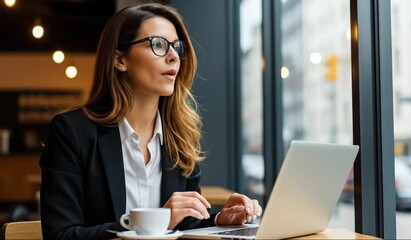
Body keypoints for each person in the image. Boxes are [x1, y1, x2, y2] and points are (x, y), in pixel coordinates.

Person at [39, 2, 262, 239]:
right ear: (120, 60)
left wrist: (219, 220)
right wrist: (157, 220)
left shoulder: (180, 137)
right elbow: (60, 235)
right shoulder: (72, 132)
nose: (174, 56)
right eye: (158, 44)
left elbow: (180, 226)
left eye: (177, 47)